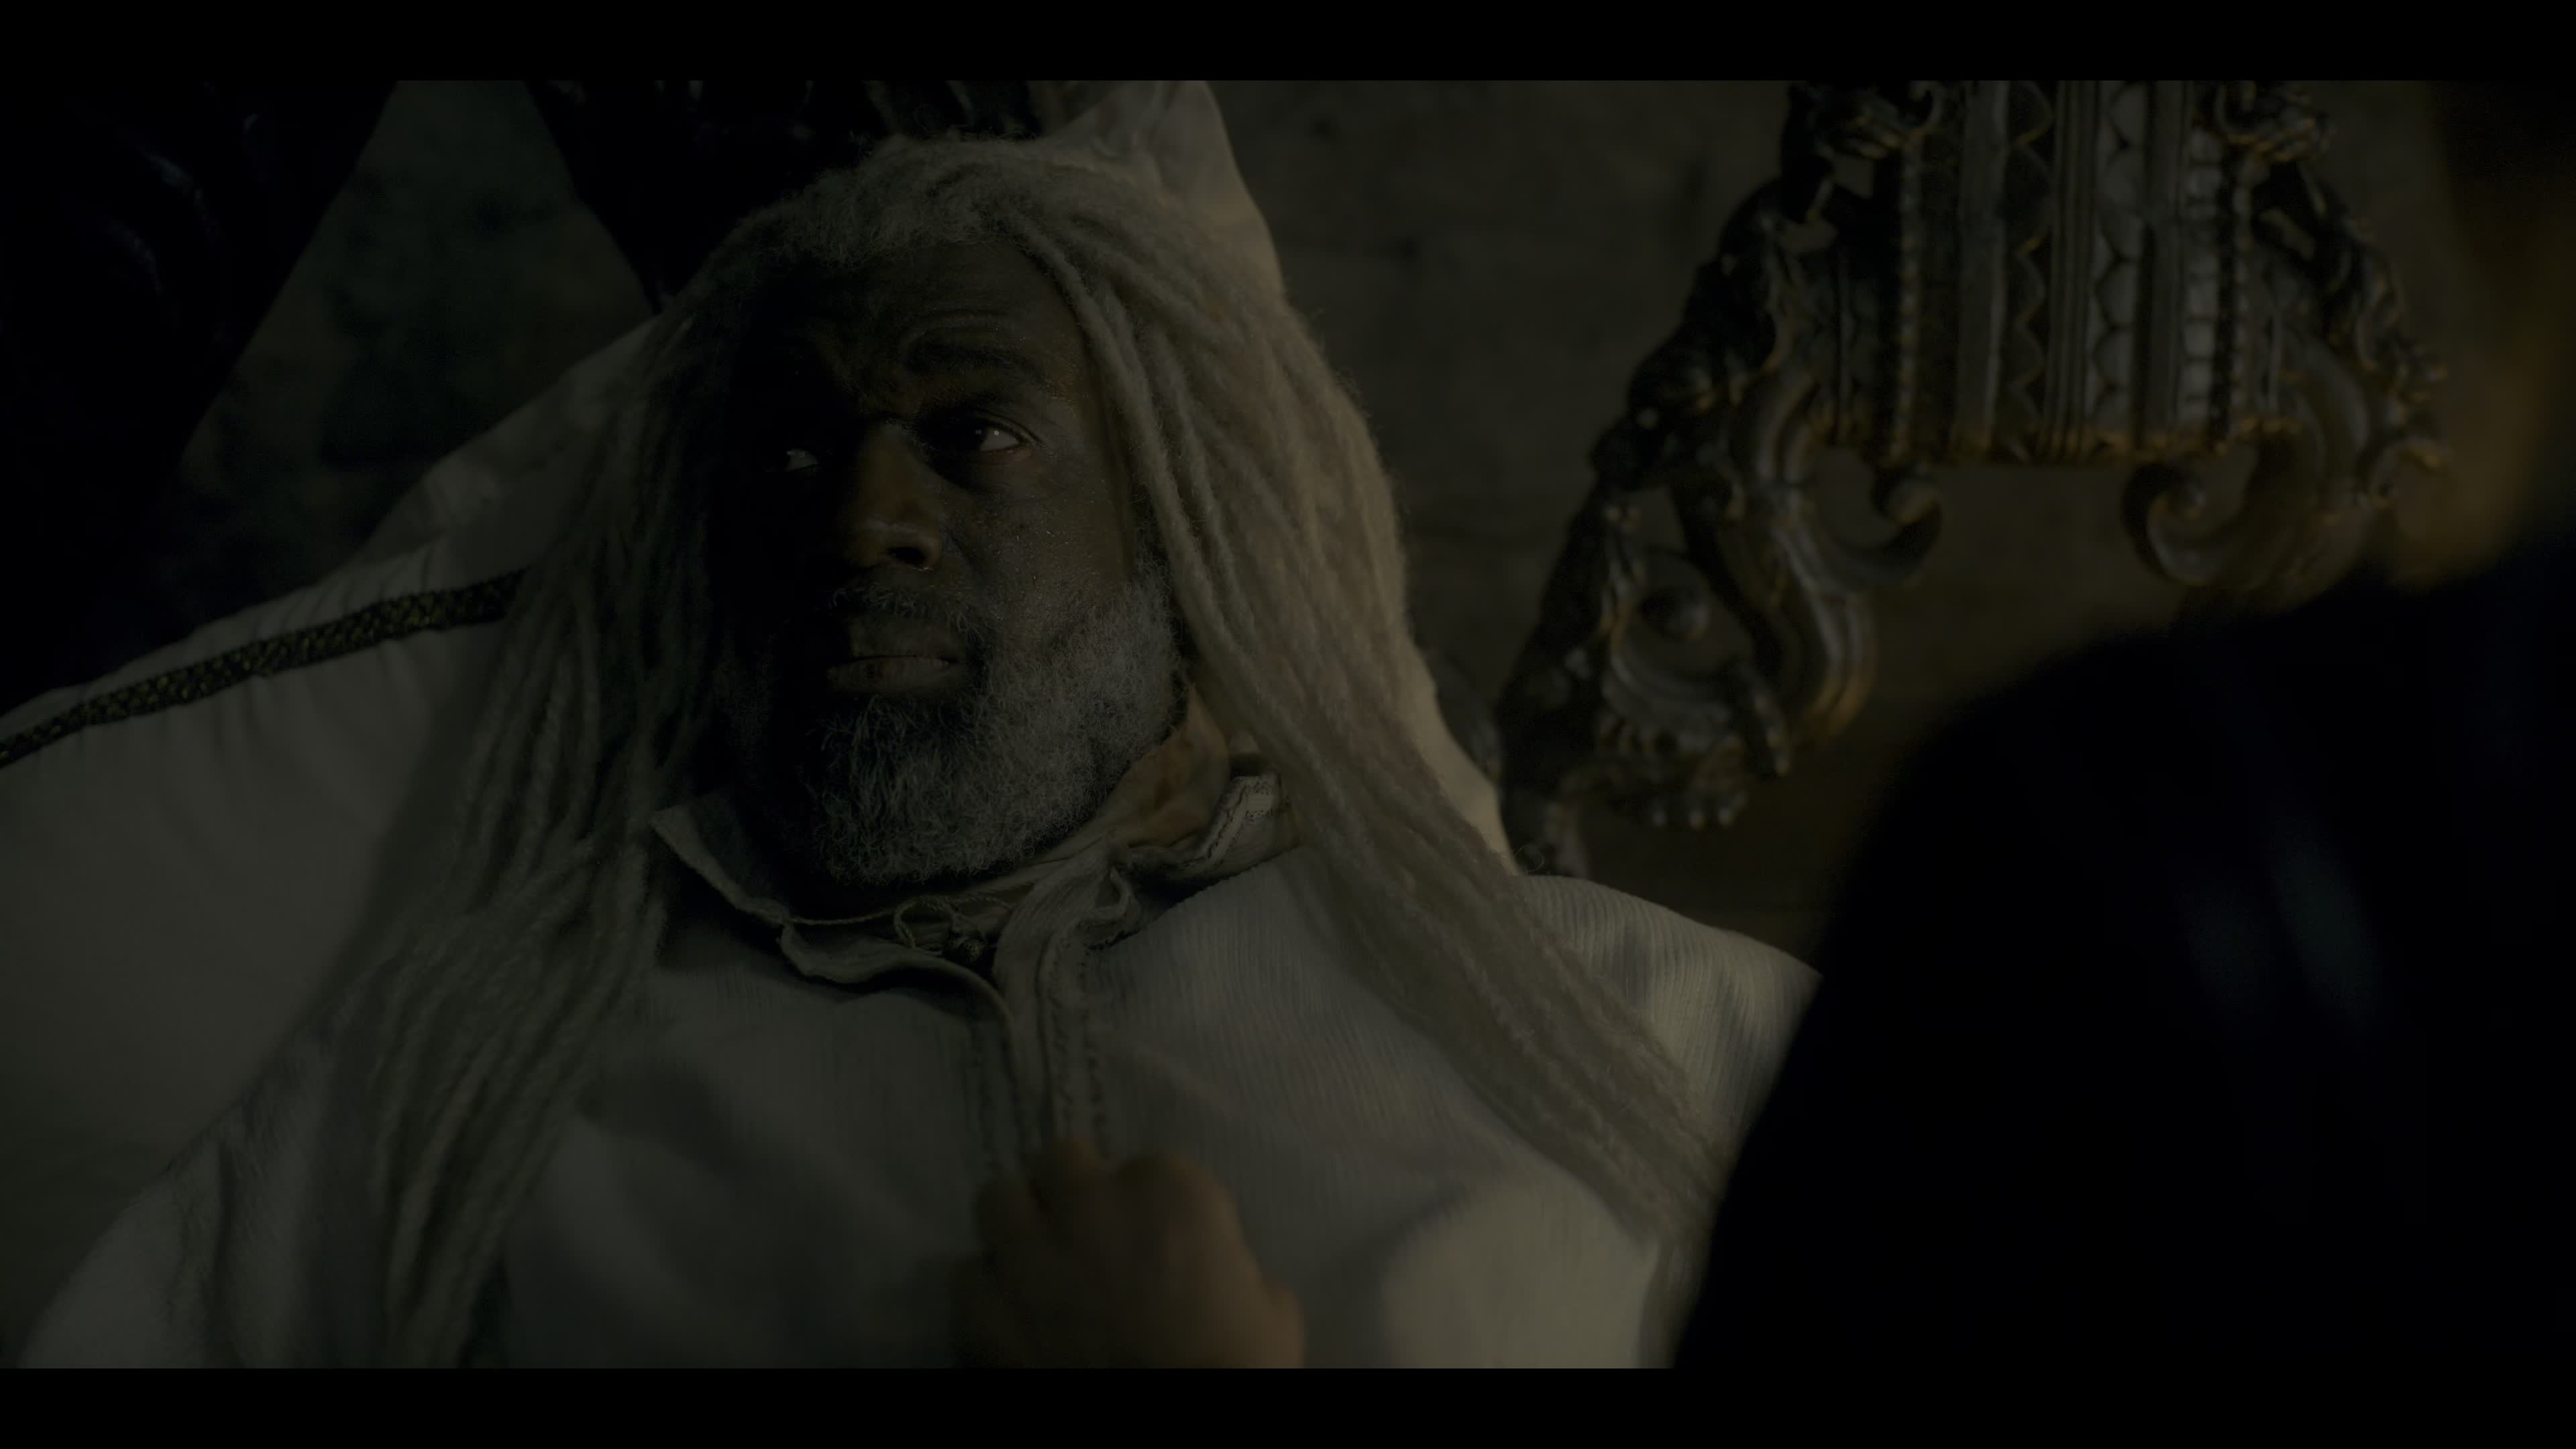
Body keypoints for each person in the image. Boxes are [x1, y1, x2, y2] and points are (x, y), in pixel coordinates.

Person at [17, 132, 1812, 1368]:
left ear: (1183, 531)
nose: (864, 518)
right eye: (794, 456)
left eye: (981, 437)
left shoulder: (1658, 1045)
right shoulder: (448, 1104)